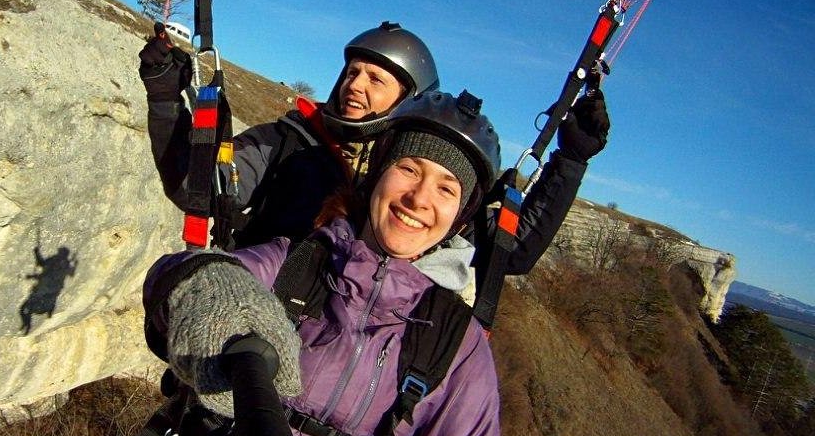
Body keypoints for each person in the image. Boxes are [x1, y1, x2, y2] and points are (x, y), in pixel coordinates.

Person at [94, 90, 503, 436]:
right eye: (409, 168)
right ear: (378, 172)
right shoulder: (299, 263)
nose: (419, 198)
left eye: (446, 188)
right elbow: (190, 272)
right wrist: (202, 287)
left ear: (460, 214)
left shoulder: (457, 344)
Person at [138, 19, 610, 279]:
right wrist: (165, 99)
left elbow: (512, 250)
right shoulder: (287, 142)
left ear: (408, 99)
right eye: (351, 73)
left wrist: (569, 160)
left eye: (375, 79)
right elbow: (195, 186)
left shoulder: (420, 177)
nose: (354, 86)